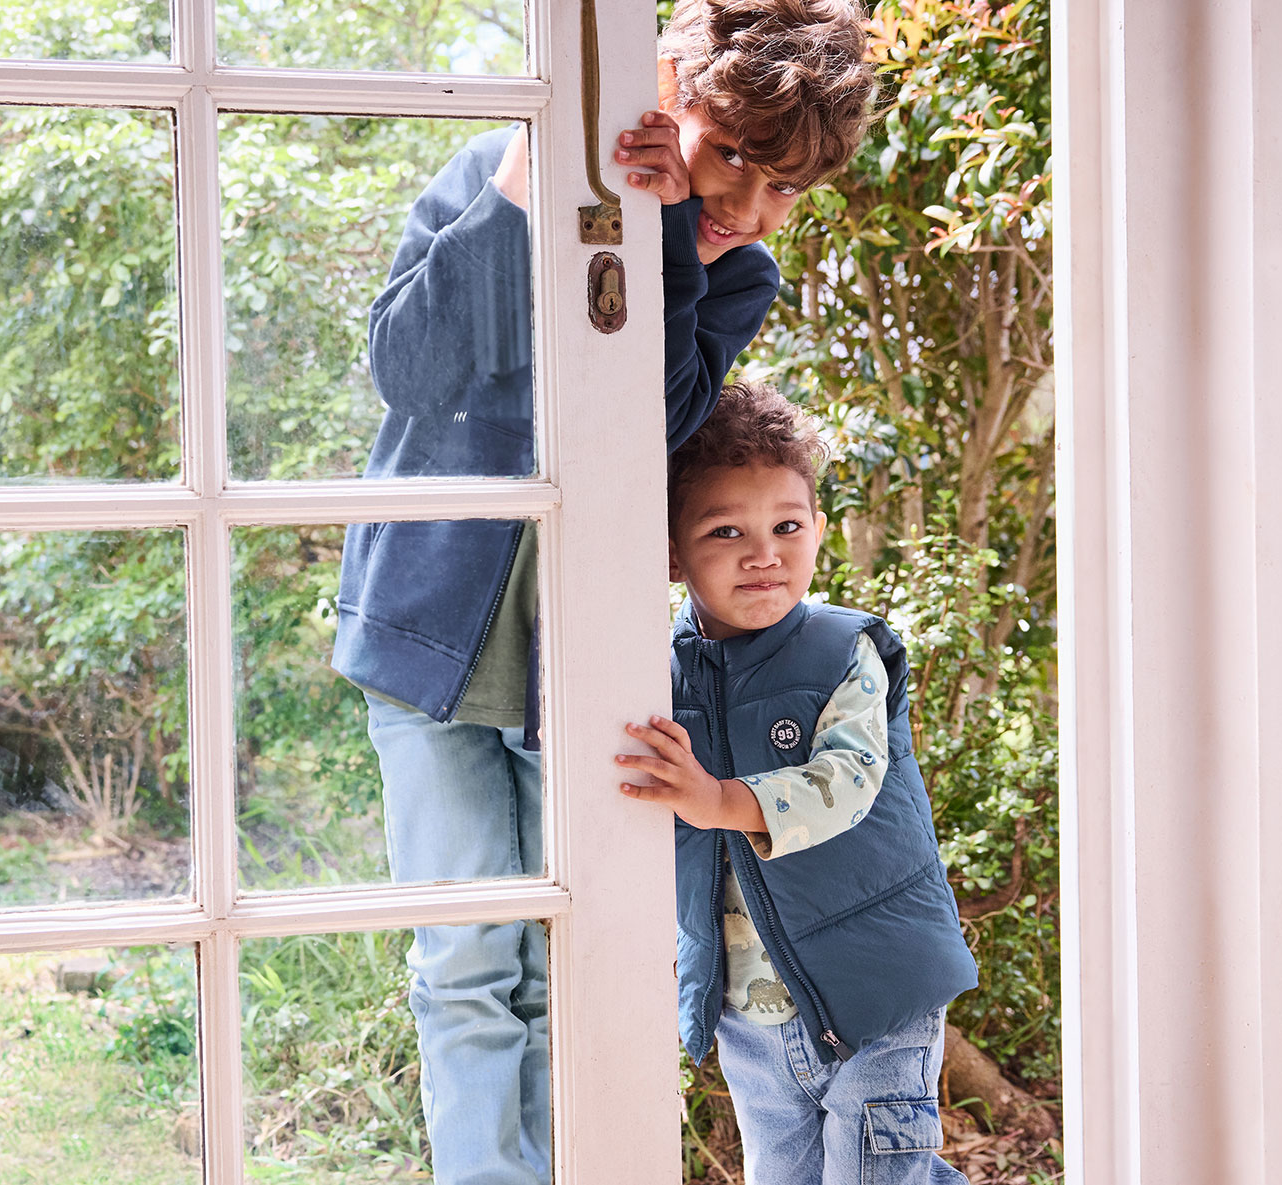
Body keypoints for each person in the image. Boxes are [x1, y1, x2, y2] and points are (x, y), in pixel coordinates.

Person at [331, 4, 875, 1181]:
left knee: (586, 950)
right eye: (729, 154)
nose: (750, 207)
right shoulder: (498, 172)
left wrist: (675, 230)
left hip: (589, 658)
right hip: (427, 632)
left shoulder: (736, 270)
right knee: (470, 958)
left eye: (785, 190)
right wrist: (528, 186)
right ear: (672, 87)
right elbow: (410, 368)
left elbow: (654, 427)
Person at [615, 381, 978, 1184]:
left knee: (882, 1171)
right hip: (751, 1012)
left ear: (817, 528)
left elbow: (846, 780)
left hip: (878, 987)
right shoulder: (647, 673)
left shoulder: (843, 651)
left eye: (786, 526)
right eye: (725, 531)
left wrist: (716, 800)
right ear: (672, 552)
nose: (763, 553)